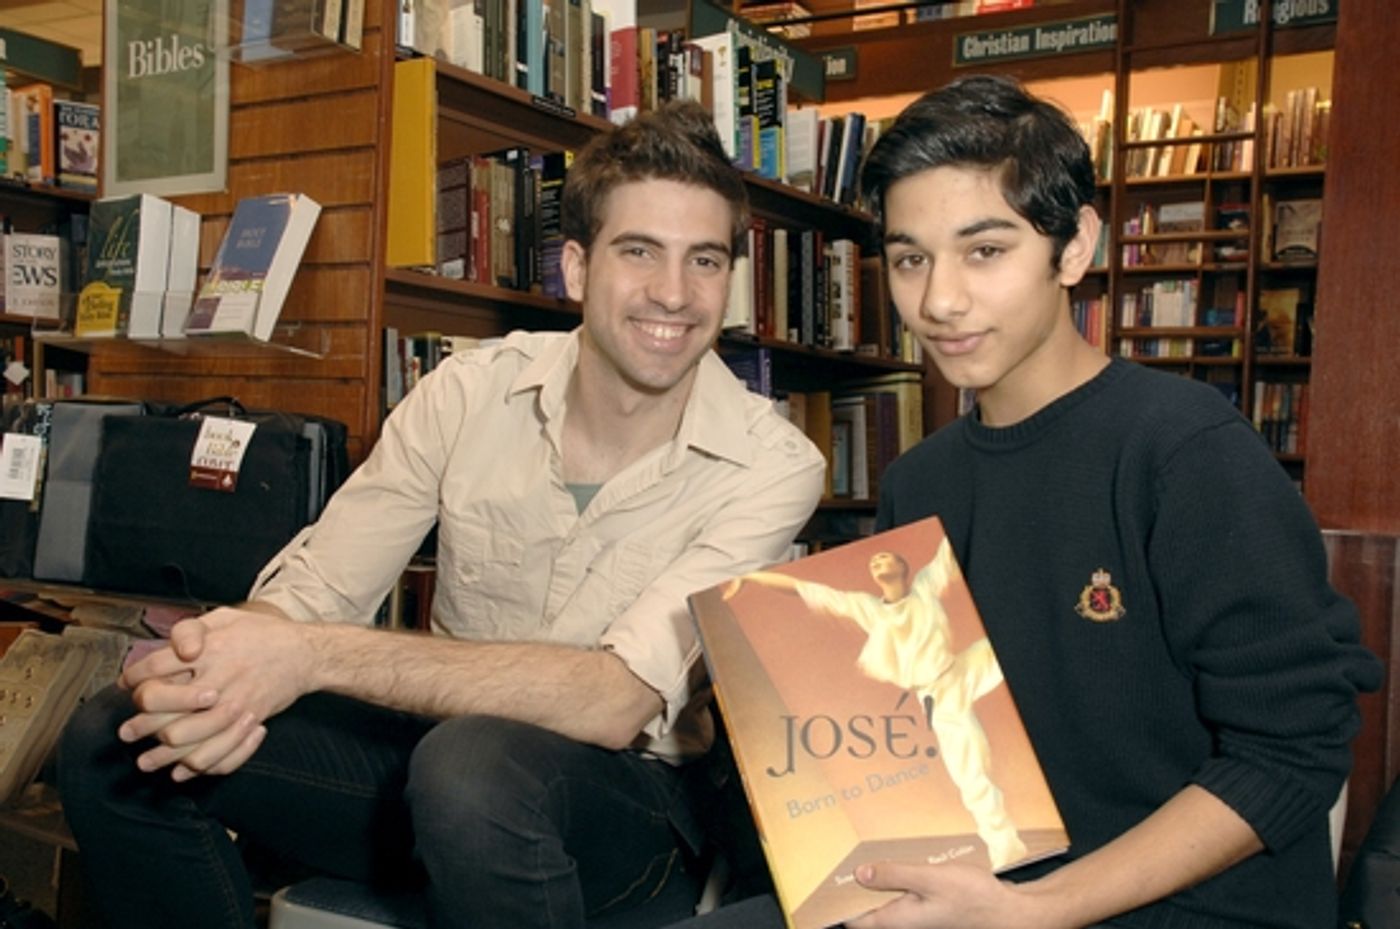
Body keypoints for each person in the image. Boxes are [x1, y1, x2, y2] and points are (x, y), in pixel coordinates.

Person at [57, 98, 826, 929]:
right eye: (639, 252)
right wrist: (220, 663)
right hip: (426, 772)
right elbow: (315, 589)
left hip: (623, 816)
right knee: (120, 735)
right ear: (576, 267)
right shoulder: (467, 391)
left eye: (704, 261)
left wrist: (307, 654)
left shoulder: (773, 465)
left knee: (474, 765)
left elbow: (615, 699)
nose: (673, 294)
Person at [670, 74, 1382, 929]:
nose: (939, 301)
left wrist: (1039, 909)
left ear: (1073, 247)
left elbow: (1296, 750)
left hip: (1181, 909)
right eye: (909, 259)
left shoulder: (1184, 450)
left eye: (985, 250)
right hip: (982, 891)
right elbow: (923, 745)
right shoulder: (919, 482)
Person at [724, 537, 1026, 870]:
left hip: (963, 668)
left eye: (885, 557)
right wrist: (750, 578)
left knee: (1020, 639)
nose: (877, 561)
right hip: (938, 696)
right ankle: (1006, 846)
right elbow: (802, 588)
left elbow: (949, 546)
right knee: (969, 771)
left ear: (903, 567)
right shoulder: (867, 607)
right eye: (873, 561)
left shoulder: (926, 585)